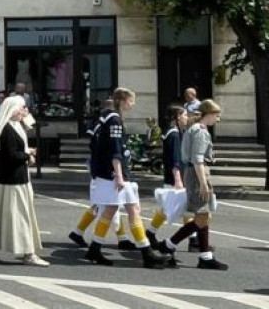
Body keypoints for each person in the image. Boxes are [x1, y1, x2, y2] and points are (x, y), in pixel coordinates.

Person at [83, 88, 166, 268]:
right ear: (123, 100)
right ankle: (146, 253)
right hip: (115, 173)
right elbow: (115, 150)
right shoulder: (114, 120)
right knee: (118, 209)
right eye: (131, 100)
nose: (133, 104)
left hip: (113, 172)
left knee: (127, 208)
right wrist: (119, 176)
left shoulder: (111, 118)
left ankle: (96, 250)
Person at [0, 95, 48, 266]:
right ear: (13, 109)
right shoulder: (7, 129)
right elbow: (10, 155)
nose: (26, 111)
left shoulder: (15, 125)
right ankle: (28, 253)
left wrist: (26, 151)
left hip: (13, 179)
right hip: (12, 181)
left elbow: (19, 143)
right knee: (21, 217)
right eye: (23, 108)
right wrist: (27, 155)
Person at [160, 100, 228, 270]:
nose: (218, 120)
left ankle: (205, 255)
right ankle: (169, 244)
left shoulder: (193, 129)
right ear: (209, 114)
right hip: (198, 174)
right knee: (201, 216)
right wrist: (203, 183)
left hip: (193, 173)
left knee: (202, 216)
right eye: (216, 115)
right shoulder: (201, 132)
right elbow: (198, 159)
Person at [145, 105, 188, 248]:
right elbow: (175, 159)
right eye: (184, 115)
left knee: (175, 207)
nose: (187, 118)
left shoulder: (173, 132)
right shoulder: (174, 134)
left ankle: (150, 232)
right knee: (176, 207)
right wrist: (178, 179)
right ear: (177, 117)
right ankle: (150, 233)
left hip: (175, 176)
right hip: (175, 178)